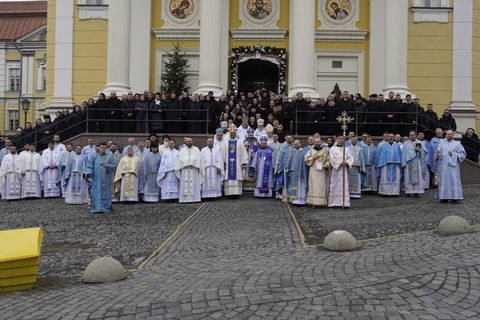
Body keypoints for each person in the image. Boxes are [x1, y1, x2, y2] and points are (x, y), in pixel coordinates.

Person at [435, 130, 466, 202]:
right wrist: (437, 155)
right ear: (446, 135)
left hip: (453, 167)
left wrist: (454, 154)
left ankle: (454, 197)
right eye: (447, 134)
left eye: (450, 134)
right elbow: (438, 152)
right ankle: (443, 197)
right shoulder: (441, 142)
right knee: (443, 181)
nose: (449, 135)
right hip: (443, 166)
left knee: (453, 181)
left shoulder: (457, 144)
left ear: (453, 135)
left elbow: (463, 154)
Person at [87, 143, 117, 213]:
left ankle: (106, 207)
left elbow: (114, 165)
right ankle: (96, 207)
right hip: (96, 179)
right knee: (96, 192)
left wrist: (107, 165)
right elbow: (90, 165)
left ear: (106, 148)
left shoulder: (110, 157)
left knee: (106, 192)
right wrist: (89, 173)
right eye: (102, 147)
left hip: (106, 178)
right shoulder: (94, 156)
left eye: (104, 147)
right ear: (99, 148)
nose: (103, 149)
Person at [221, 124, 248, 196]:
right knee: (228, 177)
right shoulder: (225, 142)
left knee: (237, 177)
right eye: (231, 133)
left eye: (233, 133)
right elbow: (222, 154)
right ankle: (228, 193)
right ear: (229, 133)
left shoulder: (239, 142)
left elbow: (244, 153)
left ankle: (236, 193)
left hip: (238, 164)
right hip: (228, 164)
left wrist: (243, 163)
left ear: (236, 133)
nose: (232, 134)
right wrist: (223, 163)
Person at [175, 137, 205, 203]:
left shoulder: (196, 149)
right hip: (184, 170)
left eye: (190, 141)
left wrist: (193, 163)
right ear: (185, 142)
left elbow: (200, 160)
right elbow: (179, 160)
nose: (189, 142)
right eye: (187, 141)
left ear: (192, 142)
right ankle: (184, 199)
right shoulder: (182, 150)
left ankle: (195, 199)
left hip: (194, 170)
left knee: (194, 184)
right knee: (184, 185)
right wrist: (186, 163)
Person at [328, 135, 354, 207]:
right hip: (336, 170)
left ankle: (344, 202)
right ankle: (334, 202)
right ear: (336, 139)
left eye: (342, 138)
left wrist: (347, 162)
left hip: (344, 170)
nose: (340, 140)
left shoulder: (347, 149)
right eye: (339, 138)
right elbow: (331, 159)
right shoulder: (332, 149)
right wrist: (339, 163)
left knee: (344, 185)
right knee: (335, 185)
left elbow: (351, 158)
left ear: (344, 140)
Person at [304, 137, 330, 206]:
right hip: (313, 171)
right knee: (313, 185)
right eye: (315, 142)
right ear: (314, 143)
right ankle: (312, 201)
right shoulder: (310, 151)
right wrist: (313, 158)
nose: (317, 143)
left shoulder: (325, 151)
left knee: (321, 186)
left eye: (318, 142)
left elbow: (328, 159)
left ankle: (321, 202)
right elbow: (306, 160)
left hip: (322, 171)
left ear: (320, 142)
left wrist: (326, 166)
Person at [402, 131, 428, 197]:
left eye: (413, 135)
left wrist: (419, 150)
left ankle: (416, 192)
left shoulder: (419, 142)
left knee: (418, 177)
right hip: (408, 163)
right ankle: (408, 192)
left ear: (415, 135)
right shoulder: (405, 143)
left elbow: (424, 152)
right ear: (409, 136)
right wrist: (404, 162)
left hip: (417, 162)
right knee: (407, 177)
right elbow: (403, 154)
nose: (412, 136)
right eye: (411, 135)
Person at [285, 140, 309, 205]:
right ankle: (294, 200)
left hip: (301, 173)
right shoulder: (292, 151)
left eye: (297, 144)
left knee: (301, 186)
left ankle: (301, 200)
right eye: (295, 144)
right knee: (294, 186)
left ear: (300, 144)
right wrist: (289, 170)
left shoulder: (304, 152)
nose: (296, 145)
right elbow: (289, 161)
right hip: (293, 172)